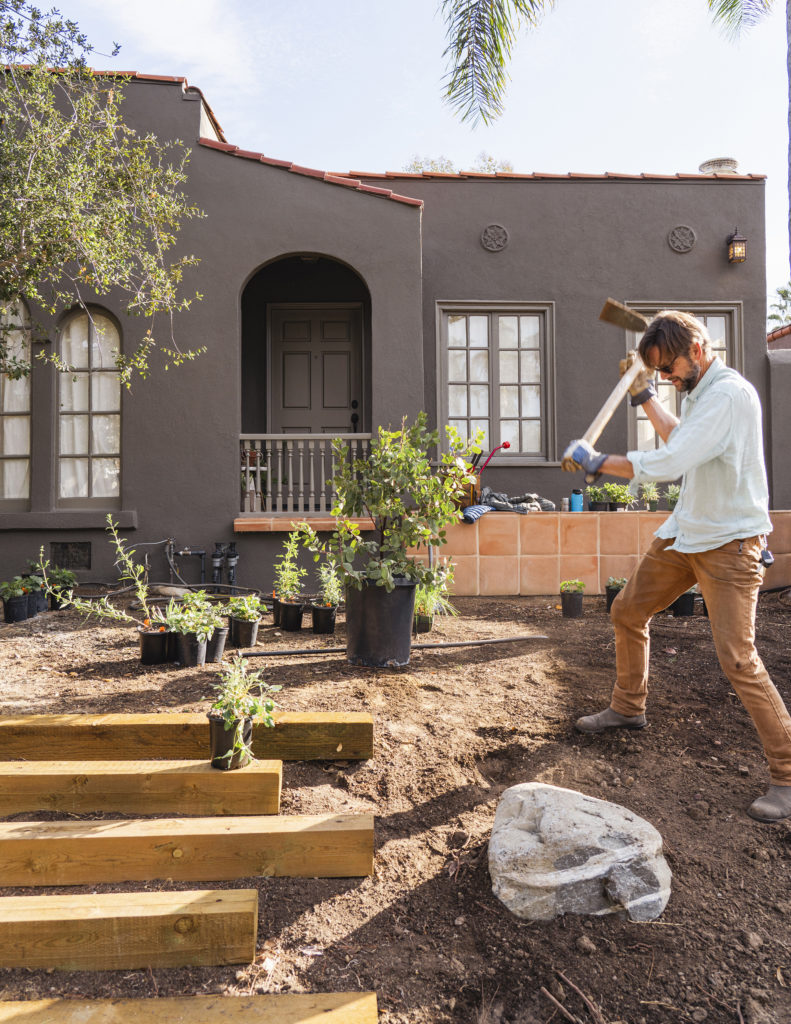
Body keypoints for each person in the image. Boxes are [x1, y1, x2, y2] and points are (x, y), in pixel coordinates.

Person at [563, 310, 791, 823]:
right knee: (627, 611)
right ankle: (628, 707)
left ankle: (788, 775)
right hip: (687, 531)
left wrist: (597, 461)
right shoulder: (702, 394)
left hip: (730, 542)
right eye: (659, 372)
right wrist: (643, 396)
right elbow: (680, 441)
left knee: (738, 659)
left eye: (669, 369)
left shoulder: (729, 395)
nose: (668, 379)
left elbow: (668, 464)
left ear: (699, 350)